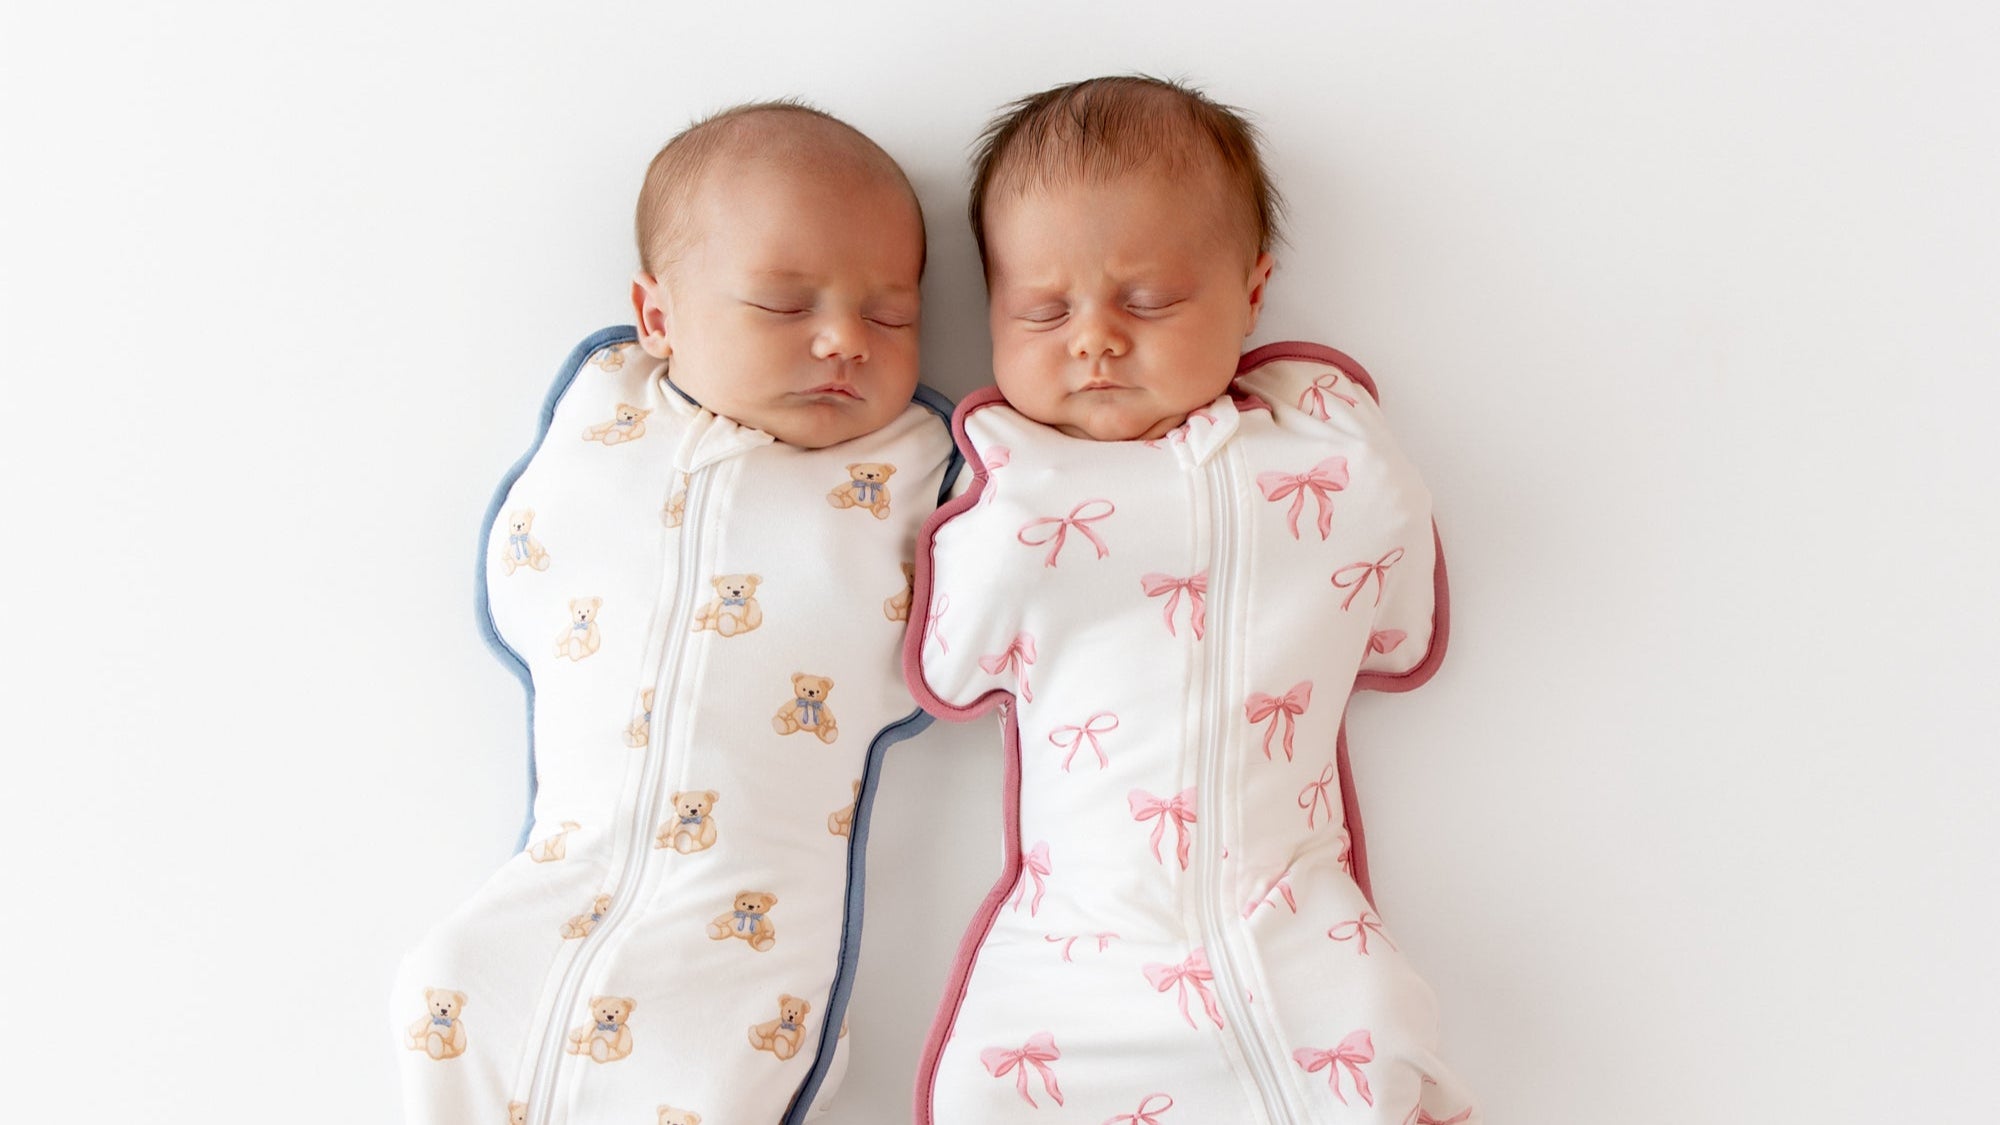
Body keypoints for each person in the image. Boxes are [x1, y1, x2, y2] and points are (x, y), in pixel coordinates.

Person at [905, 76, 1480, 1123]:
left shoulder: (1323, 457)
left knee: (1371, 1035)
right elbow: (946, 667)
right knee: (989, 1083)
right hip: (1077, 928)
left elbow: (1398, 631)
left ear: (1252, 293)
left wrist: (1369, 481)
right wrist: (999, 528)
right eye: (1043, 310)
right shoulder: (1020, 487)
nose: (1093, 339)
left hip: (1288, 907)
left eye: (1147, 302)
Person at [395, 100, 957, 1125]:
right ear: (656, 320)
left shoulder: (915, 470)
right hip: (563, 869)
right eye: (784, 305)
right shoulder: (613, 415)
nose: (844, 339)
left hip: (745, 926)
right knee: (450, 978)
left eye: (890, 316)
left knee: (705, 1070)